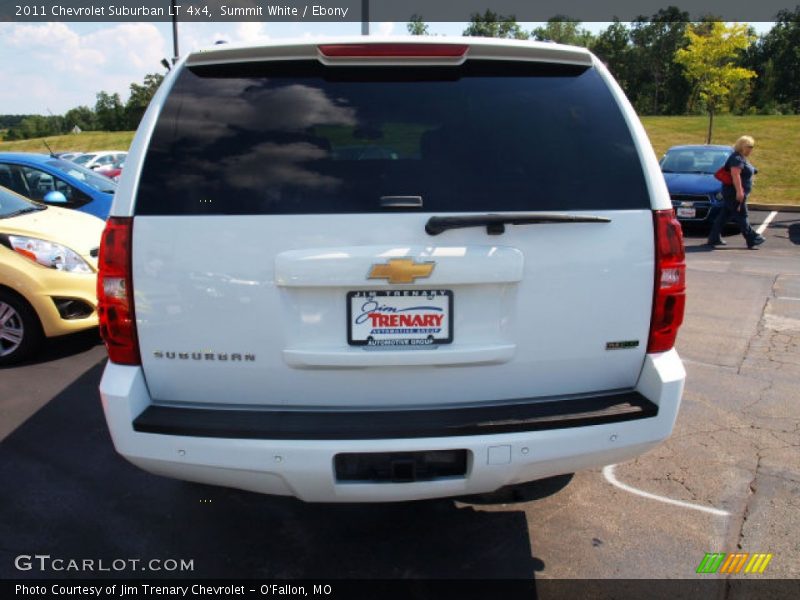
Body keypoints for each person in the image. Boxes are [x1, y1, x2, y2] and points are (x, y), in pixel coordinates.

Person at [707, 135, 765, 249]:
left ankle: (713, 238)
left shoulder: (741, 158)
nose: (752, 149)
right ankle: (751, 238)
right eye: (750, 146)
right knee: (742, 215)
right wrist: (739, 192)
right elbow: (735, 175)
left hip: (733, 192)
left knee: (724, 215)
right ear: (743, 146)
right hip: (733, 193)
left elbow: (747, 171)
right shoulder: (736, 158)